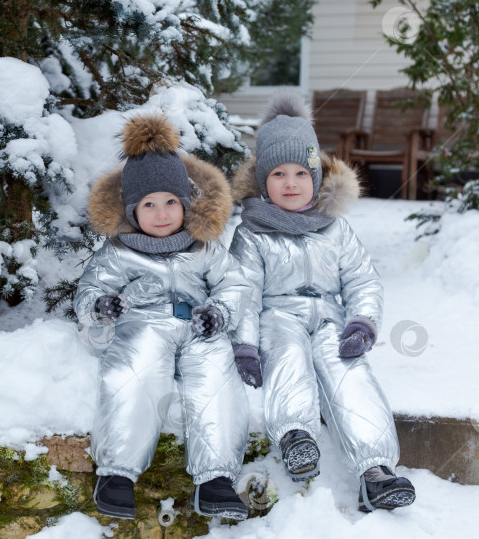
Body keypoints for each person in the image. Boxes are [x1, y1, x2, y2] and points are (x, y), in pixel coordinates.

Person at [228, 91, 416, 512]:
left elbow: (362, 278)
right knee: (287, 356)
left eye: (301, 173)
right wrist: (244, 344)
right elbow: (242, 292)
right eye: (278, 174)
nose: (290, 183)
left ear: (316, 176)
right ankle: (296, 436)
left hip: (331, 319)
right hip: (278, 316)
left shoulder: (335, 228)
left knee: (349, 372)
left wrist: (361, 322)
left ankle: (376, 471)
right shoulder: (252, 233)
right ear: (263, 181)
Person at [74, 113, 250, 520]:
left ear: (186, 204)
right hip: (144, 324)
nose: (162, 213)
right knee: (134, 375)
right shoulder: (118, 252)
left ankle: (216, 479)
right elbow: (89, 291)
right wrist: (101, 306)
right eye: (149, 205)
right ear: (132, 210)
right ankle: (117, 475)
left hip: (199, 325)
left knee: (216, 379)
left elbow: (235, 284)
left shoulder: (204, 246)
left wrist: (220, 313)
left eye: (171, 202)